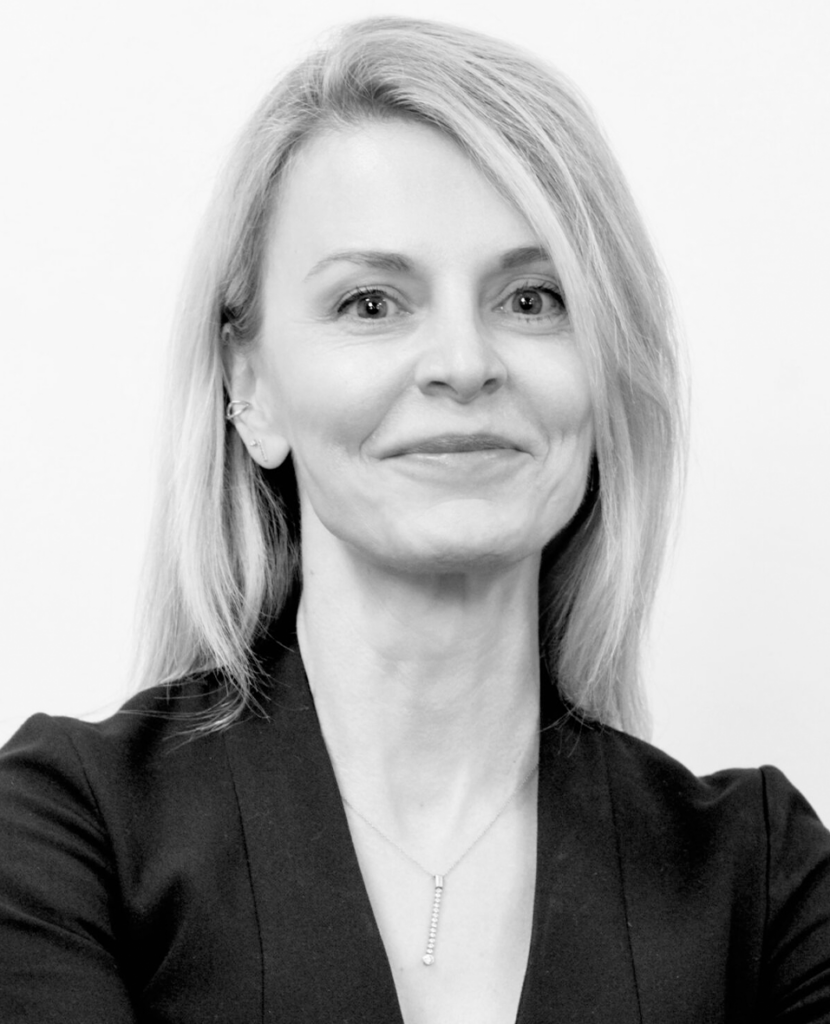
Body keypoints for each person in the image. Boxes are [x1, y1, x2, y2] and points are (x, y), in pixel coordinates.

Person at [1, 15, 828, 1023]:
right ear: (248, 386)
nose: (463, 363)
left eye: (533, 298)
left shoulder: (760, 882)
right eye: (370, 303)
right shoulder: (64, 835)